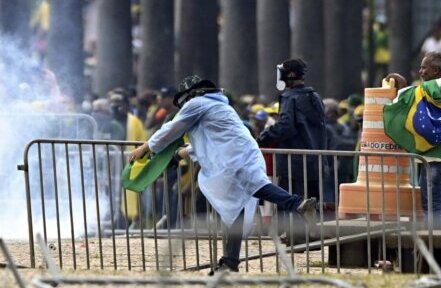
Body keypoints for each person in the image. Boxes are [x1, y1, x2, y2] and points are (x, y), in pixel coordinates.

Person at [129, 75, 317, 274]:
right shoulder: (219, 106)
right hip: (241, 154)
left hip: (233, 158)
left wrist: (146, 147)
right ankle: (230, 261)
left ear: (189, 94)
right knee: (235, 209)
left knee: (255, 188)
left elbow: (171, 129)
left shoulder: (198, 103)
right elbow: (207, 141)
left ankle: (296, 204)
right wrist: (180, 155)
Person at [384, 53, 441, 228]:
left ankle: (435, 248)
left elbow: (403, 98)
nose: (421, 71)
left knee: (433, 207)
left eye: (424, 67)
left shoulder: (424, 90)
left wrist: (400, 84)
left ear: (436, 70)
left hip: (433, 161)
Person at [256, 58, 327, 200]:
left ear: (289, 75)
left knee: (292, 209)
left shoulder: (289, 98)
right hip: (315, 164)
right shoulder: (315, 96)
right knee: (313, 207)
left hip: (293, 166)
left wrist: (262, 138)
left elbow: (285, 127)